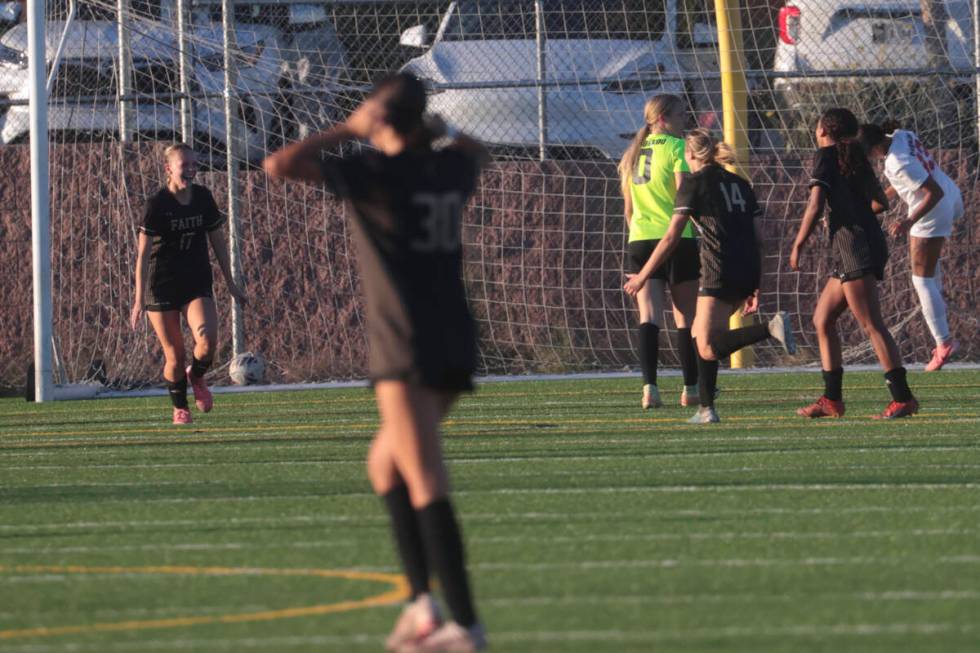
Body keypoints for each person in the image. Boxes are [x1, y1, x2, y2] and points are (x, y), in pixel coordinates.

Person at [263, 73, 489, 652]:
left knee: (425, 478)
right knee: (385, 467)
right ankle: (422, 608)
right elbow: (474, 149)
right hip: (454, 337)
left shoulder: (378, 173)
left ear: (382, 120)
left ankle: (463, 625)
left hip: (405, 342)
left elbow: (279, 164)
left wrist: (348, 128)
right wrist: (434, 129)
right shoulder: (447, 168)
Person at [624, 129, 796, 423]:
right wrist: (756, 284)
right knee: (702, 334)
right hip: (746, 269)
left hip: (718, 267)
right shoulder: (741, 184)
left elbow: (670, 238)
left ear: (690, 155)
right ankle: (706, 409)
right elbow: (761, 239)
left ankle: (769, 328)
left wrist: (643, 276)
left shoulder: (694, 184)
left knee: (705, 345)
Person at [790, 108, 918, 419]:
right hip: (863, 242)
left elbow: (816, 202)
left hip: (854, 246)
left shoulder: (826, 156)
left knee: (871, 324)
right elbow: (880, 203)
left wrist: (798, 243)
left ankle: (903, 398)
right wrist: (850, 210)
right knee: (823, 319)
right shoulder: (856, 156)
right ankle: (831, 399)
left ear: (824, 130)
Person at [130, 143, 247, 425]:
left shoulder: (204, 198)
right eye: (186, 164)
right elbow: (143, 255)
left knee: (207, 343)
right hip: (162, 285)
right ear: (169, 168)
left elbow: (217, 241)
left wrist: (231, 283)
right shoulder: (157, 204)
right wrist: (138, 300)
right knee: (174, 354)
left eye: (195, 163)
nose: (192, 168)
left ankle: (196, 376)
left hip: (195, 281)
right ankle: (180, 408)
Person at [617, 93, 701, 410]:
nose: (685, 121)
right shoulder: (679, 148)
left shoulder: (631, 154)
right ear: (663, 118)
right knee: (686, 317)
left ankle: (649, 389)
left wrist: (641, 234)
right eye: (681, 115)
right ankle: (690, 388)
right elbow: (684, 196)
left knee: (649, 316)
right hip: (677, 238)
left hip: (640, 239)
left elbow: (628, 210)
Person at [858, 121, 963, 371]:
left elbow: (931, 193)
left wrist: (907, 221)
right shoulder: (902, 136)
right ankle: (942, 328)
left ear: (872, 149)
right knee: (930, 273)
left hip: (933, 209)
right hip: (951, 194)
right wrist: (879, 199)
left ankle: (944, 342)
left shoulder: (895, 161)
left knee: (921, 280)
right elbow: (910, 179)